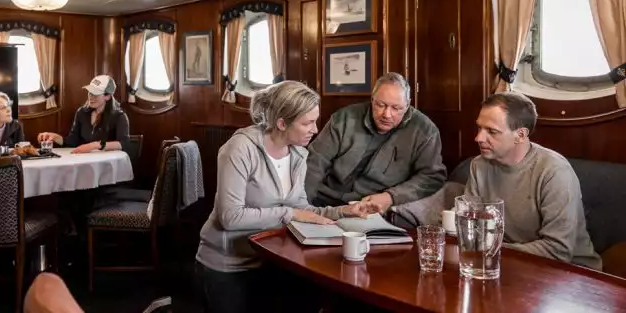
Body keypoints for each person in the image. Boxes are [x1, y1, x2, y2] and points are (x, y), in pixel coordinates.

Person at [195, 80, 372, 313]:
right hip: (228, 265)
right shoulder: (239, 149)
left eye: (315, 121)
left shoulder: (298, 154)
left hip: (270, 259)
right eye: (307, 123)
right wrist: (289, 214)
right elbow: (231, 217)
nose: (315, 129)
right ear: (281, 123)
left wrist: (342, 211)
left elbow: (300, 209)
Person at [465, 91, 601, 269]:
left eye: (492, 131)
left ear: (520, 135)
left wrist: (492, 251)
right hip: (505, 263)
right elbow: (471, 226)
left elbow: (558, 250)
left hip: (573, 273)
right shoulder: (479, 165)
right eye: (479, 128)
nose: (479, 138)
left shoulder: (554, 171)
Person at [305, 72, 447, 212]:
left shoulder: (425, 131)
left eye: (396, 108)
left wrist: (390, 197)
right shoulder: (344, 118)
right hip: (325, 200)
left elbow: (432, 176)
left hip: (372, 207)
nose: (387, 114)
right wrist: (304, 206)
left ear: (408, 104)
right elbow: (315, 162)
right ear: (372, 100)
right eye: (381, 105)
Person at [37, 75, 130, 155]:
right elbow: (72, 142)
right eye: (90, 92)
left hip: (107, 164)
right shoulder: (81, 113)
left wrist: (94, 145)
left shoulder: (120, 116)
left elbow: (124, 144)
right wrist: (55, 137)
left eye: (96, 94)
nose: (91, 97)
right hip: (85, 161)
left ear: (108, 96)